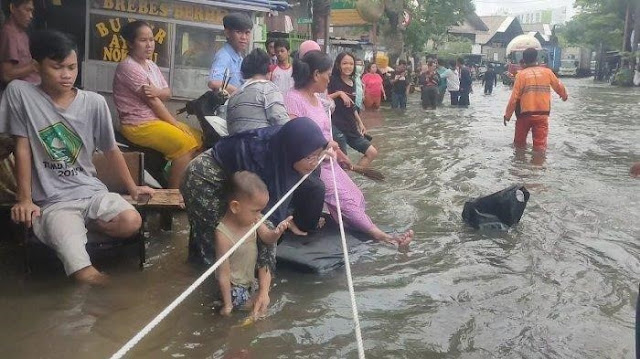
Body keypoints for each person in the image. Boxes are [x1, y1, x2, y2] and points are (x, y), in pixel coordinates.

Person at [0, 30, 155, 284]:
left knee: (131, 221)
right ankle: (120, 300)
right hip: (53, 203)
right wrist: (25, 200)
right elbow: (23, 147)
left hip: (91, 192)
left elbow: (111, 149)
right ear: (37, 66)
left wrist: (133, 188)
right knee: (82, 271)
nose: (67, 75)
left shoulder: (94, 103)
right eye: (57, 67)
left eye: (72, 67)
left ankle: (84, 228)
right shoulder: (21, 94)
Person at [180, 118, 329, 317]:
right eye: (310, 157)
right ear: (294, 152)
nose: (314, 163)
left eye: (318, 156)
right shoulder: (265, 160)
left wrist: (263, 290)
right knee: (218, 241)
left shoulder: (288, 149)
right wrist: (264, 292)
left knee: (246, 229)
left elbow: (267, 230)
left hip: (238, 180)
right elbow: (266, 228)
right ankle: (214, 299)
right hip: (205, 178)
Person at [285, 50, 414, 246]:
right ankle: (385, 237)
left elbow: (326, 134)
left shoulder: (317, 99)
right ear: (316, 74)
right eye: (328, 75)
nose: (329, 80)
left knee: (357, 196)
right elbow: (294, 135)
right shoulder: (293, 98)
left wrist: (338, 153)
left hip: (330, 161)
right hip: (313, 165)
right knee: (348, 203)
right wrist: (324, 147)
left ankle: (355, 226)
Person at [226, 48, 324, 235]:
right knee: (315, 181)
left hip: (238, 157)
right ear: (269, 71)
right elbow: (287, 128)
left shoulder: (235, 95)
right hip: (261, 155)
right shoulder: (268, 89)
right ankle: (297, 221)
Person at [113, 20, 202, 189]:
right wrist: (174, 123)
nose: (149, 45)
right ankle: (173, 197)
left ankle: (177, 179)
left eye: (151, 40)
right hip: (138, 125)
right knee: (185, 143)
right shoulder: (129, 67)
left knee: (198, 137)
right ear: (131, 43)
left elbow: (167, 92)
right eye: (143, 40)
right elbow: (153, 102)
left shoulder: (151, 65)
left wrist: (157, 91)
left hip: (155, 121)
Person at [215, 171, 292, 316]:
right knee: (260, 311)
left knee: (263, 299)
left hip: (249, 281)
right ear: (235, 207)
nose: (259, 215)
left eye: (261, 211)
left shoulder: (254, 220)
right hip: (234, 287)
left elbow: (268, 239)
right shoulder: (223, 235)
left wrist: (277, 232)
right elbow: (223, 274)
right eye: (256, 211)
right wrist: (227, 305)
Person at [0, 0, 39, 202]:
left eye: (32, 10)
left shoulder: (22, 33)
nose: (31, 14)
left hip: (33, 95)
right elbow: (7, 74)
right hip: (21, 98)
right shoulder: (9, 33)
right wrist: (34, 66)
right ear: (12, 8)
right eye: (27, 9)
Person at [503, 47, 568, 153]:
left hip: (525, 115)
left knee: (519, 145)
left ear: (524, 60)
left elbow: (514, 98)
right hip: (542, 115)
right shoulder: (547, 72)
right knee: (540, 147)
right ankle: (538, 167)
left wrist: (507, 115)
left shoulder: (521, 75)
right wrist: (564, 96)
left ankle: (519, 166)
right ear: (536, 58)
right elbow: (559, 86)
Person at [328, 52, 378, 168]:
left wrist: (360, 123)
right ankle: (345, 181)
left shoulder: (353, 83)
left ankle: (352, 177)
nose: (348, 66)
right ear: (338, 65)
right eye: (345, 63)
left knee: (372, 152)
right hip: (336, 127)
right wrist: (339, 93)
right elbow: (321, 98)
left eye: (351, 64)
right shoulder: (332, 80)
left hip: (351, 126)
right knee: (343, 163)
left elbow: (352, 106)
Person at [208, 13, 253, 94]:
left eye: (247, 33)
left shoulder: (239, 58)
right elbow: (214, 83)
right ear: (227, 33)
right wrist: (239, 92)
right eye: (239, 32)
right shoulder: (224, 56)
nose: (244, 37)